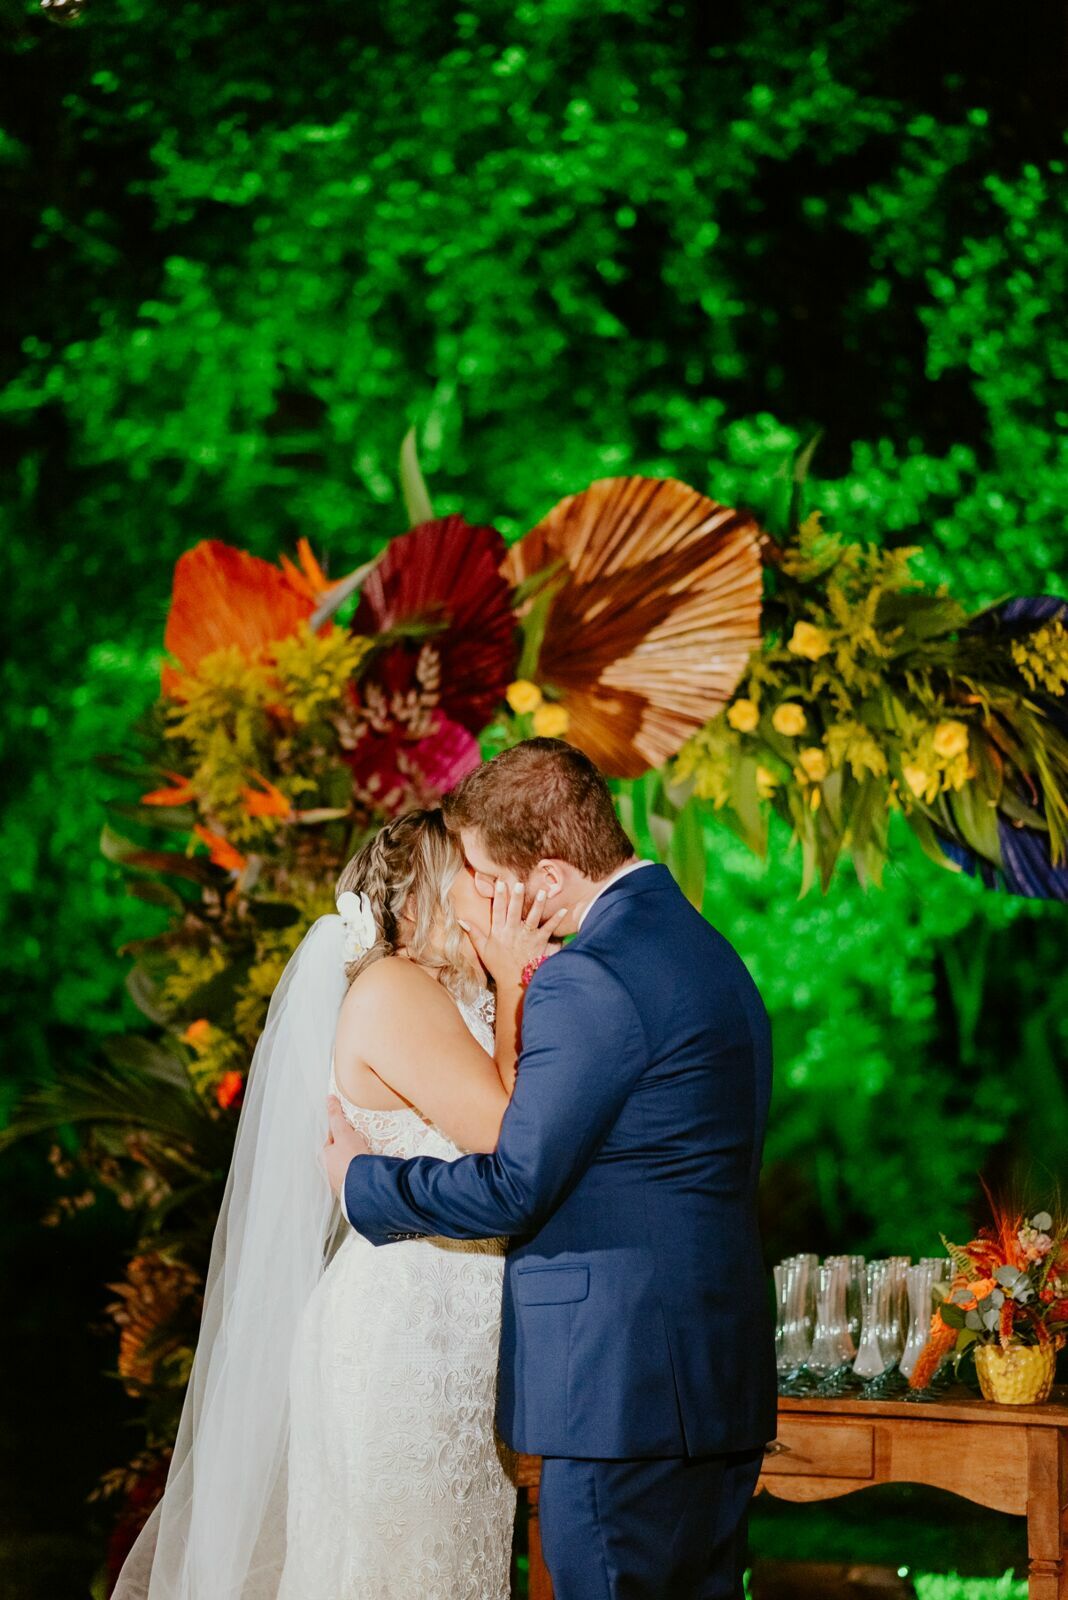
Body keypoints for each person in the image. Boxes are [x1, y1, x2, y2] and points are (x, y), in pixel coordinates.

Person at [325, 739, 778, 1600]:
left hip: (624, 1391)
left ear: (549, 876)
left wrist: (366, 1186)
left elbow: (515, 1181)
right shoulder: (705, 950)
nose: (484, 896)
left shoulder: (590, 976)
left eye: (490, 873)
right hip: (709, 1378)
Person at [112, 807, 562, 1600]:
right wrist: (513, 975)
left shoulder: (446, 995)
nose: (493, 889)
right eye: (472, 873)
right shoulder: (394, 988)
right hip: (406, 1337)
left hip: (449, 1338)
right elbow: (502, 1129)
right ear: (418, 903)